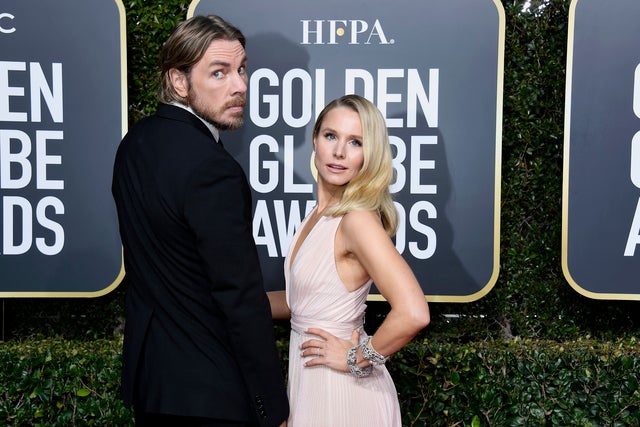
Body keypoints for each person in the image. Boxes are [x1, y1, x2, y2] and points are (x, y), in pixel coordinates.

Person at [112, 15, 288, 427]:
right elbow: (238, 296)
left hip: (153, 387)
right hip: (214, 395)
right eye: (219, 73)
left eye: (242, 69)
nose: (240, 85)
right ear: (178, 80)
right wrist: (272, 406)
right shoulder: (213, 168)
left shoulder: (134, 145)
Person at [268, 94, 431, 426]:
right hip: (311, 383)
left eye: (355, 142)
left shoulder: (356, 220)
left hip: (343, 392)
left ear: (368, 155)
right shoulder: (319, 215)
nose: (339, 151)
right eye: (331, 136)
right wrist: (232, 303)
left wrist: (358, 358)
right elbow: (303, 301)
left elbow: (414, 312)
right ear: (315, 140)